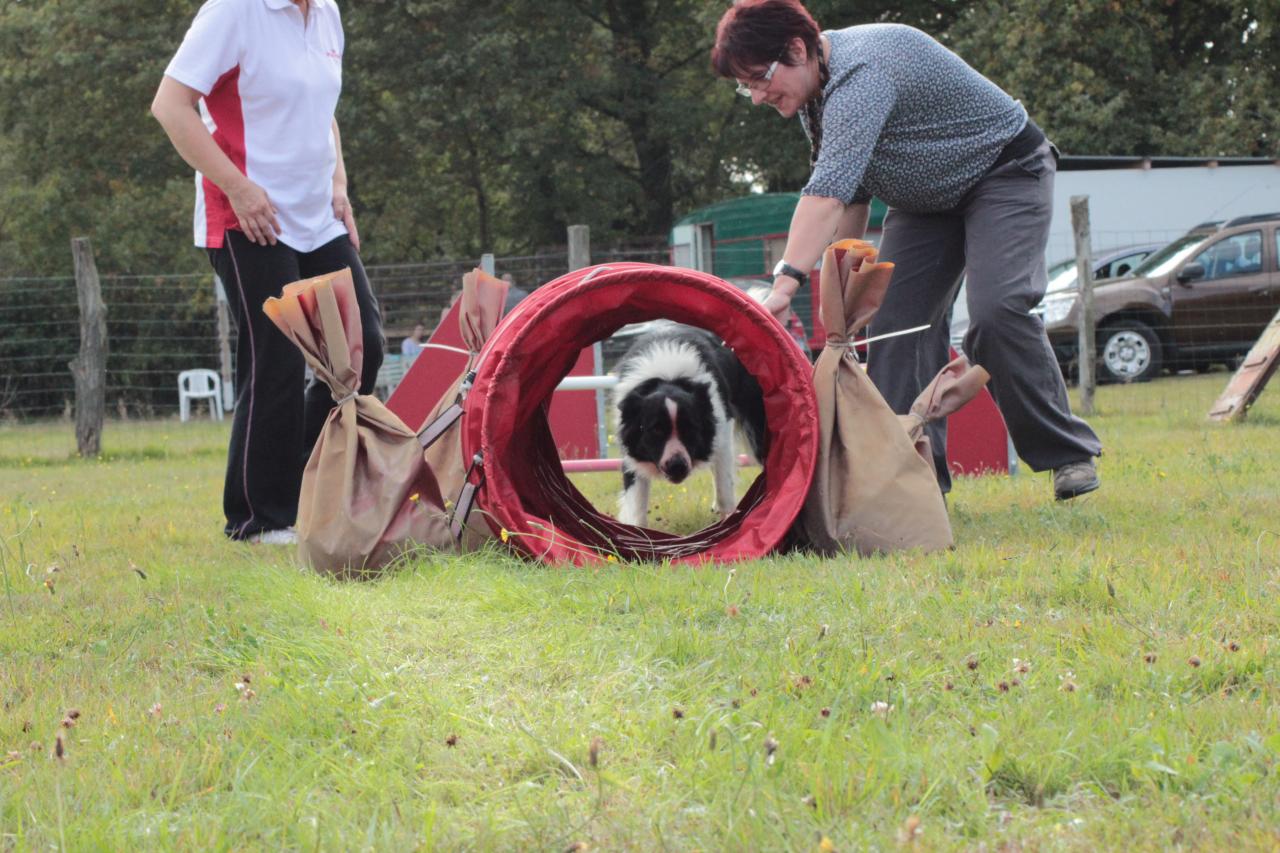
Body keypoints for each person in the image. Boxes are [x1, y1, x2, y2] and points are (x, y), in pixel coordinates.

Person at [712, 0, 1101, 500]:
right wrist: (844, 291)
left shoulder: (861, 74)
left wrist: (784, 283)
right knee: (893, 324)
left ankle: (1065, 453)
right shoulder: (816, 96)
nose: (760, 94)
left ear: (797, 49)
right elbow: (850, 198)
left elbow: (826, 192)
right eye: (747, 86)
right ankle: (915, 482)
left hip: (1005, 171)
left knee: (998, 312)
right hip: (927, 203)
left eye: (761, 77)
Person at [152, 0, 384, 544]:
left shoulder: (326, 13)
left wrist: (339, 185)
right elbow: (170, 106)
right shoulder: (233, 12)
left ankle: (301, 477)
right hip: (245, 217)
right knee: (276, 357)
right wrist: (238, 188)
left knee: (361, 348)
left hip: (315, 216)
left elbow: (321, 109)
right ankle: (259, 519)